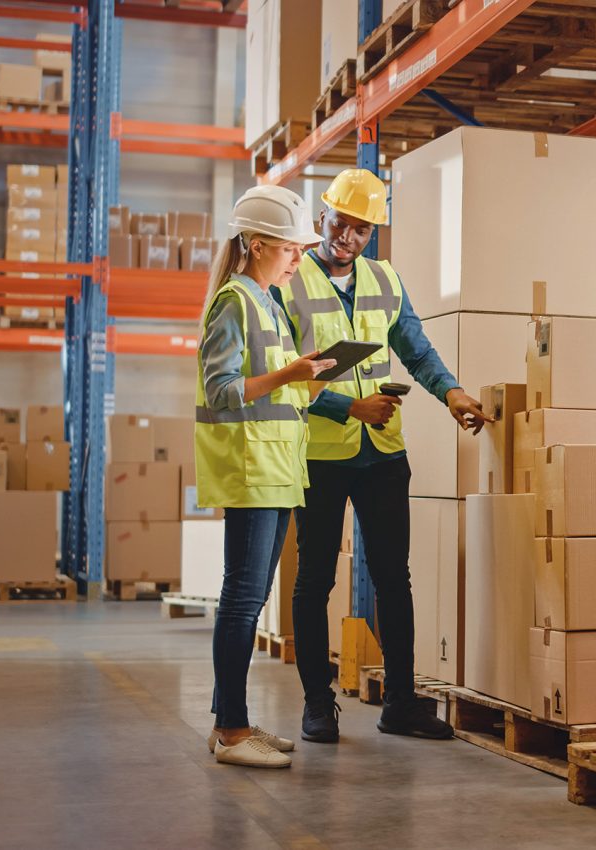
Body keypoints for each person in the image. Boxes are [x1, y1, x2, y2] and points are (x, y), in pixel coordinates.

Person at [275, 168, 489, 743]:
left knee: (395, 577)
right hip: (320, 454)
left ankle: (400, 703)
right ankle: (318, 705)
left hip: (382, 455)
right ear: (323, 216)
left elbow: (415, 348)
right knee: (314, 580)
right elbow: (283, 379)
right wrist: (348, 410)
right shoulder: (290, 283)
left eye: (362, 229)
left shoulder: (384, 280)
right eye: (342, 222)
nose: (349, 236)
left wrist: (451, 392)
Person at [195, 185, 337, 768]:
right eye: (291, 250)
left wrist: (313, 378)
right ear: (256, 246)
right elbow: (222, 391)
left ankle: (235, 722)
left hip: (277, 470)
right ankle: (230, 731)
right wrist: (288, 376)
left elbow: (278, 393)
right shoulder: (235, 301)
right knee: (241, 601)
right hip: (251, 469)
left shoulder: (269, 302)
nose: (300, 260)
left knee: (249, 602)